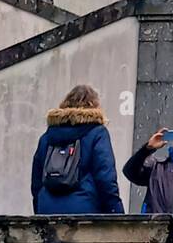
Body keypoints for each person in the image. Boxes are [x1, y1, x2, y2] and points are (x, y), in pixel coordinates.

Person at [31, 84, 124, 215]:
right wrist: (116, 213)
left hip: (47, 209)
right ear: (94, 106)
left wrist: (39, 211)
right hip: (85, 210)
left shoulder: (46, 137)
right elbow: (106, 179)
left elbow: (36, 182)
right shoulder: (97, 133)